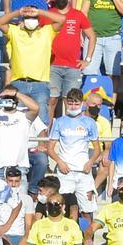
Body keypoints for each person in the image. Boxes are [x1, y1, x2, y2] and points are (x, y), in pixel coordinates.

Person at [47, 89, 102, 219]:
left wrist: (90, 162)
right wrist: (60, 162)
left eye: (76, 104)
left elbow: (97, 148)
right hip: (65, 172)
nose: (73, 106)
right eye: (70, 103)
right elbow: (50, 148)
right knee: (63, 209)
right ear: (66, 103)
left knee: (87, 211)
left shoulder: (90, 123)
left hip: (84, 172)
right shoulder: (59, 122)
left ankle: (88, 239)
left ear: (82, 103)